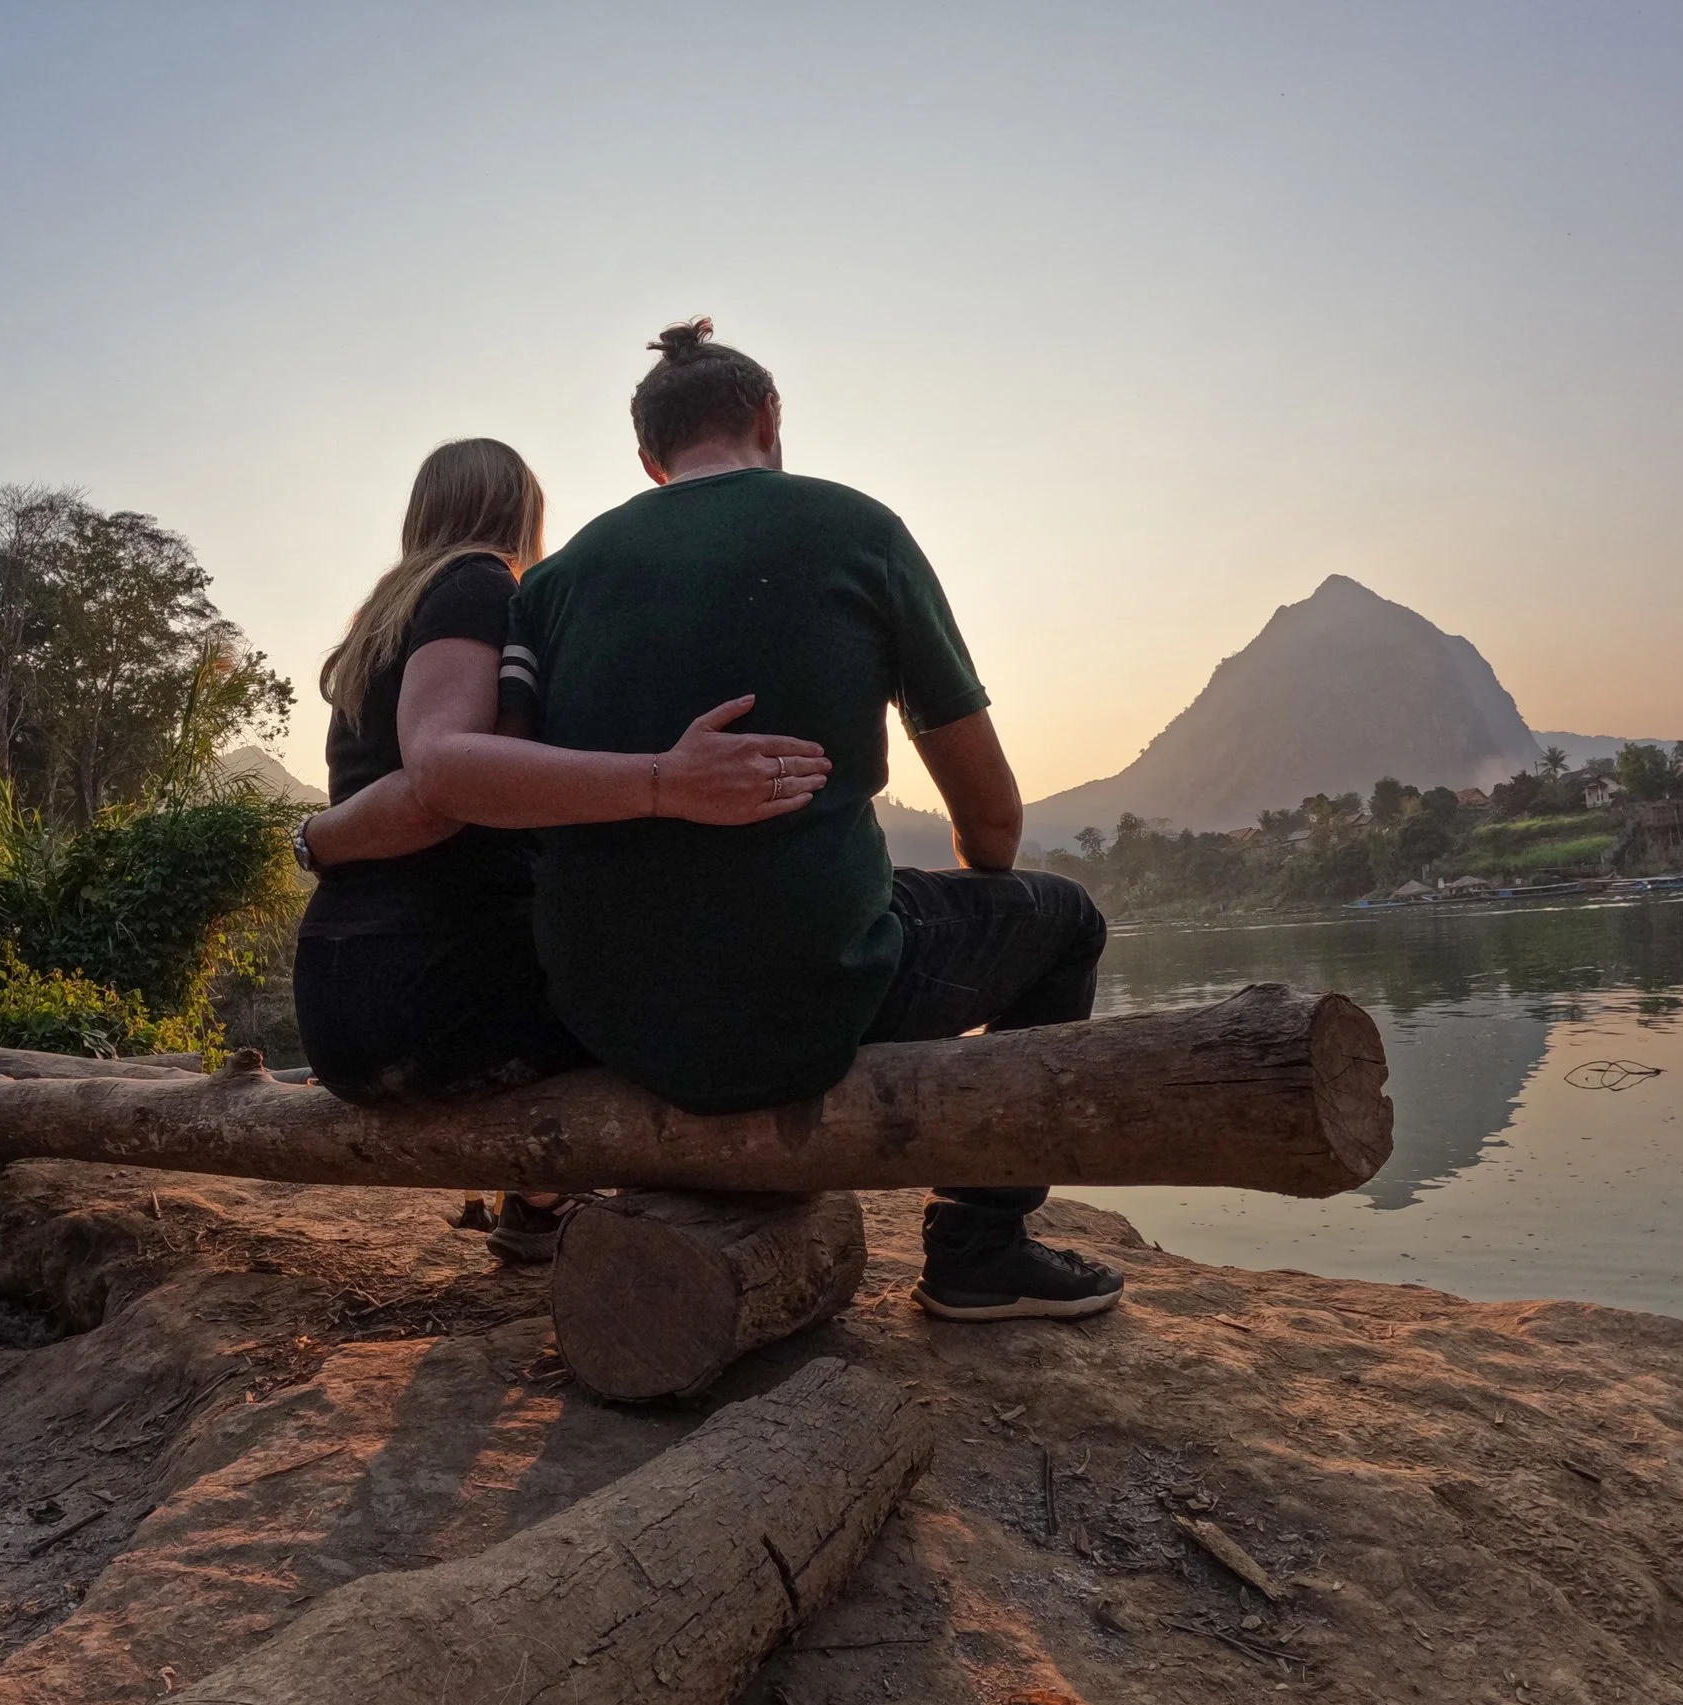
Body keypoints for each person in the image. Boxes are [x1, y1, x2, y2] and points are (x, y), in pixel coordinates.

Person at [492, 319, 1122, 1322]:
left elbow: (509, 792)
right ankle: (978, 1246)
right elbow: (992, 828)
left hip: (602, 1011)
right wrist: (963, 870)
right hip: (806, 1000)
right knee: (1066, 920)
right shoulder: (854, 528)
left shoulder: (554, 582)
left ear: (649, 459)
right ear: (769, 419)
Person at [292, 436, 831, 1255]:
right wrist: (665, 781)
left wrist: (318, 842)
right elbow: (438, 786)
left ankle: (537, 1203)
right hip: (431, 999)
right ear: (523, 512)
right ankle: (686, 1194)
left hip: (337, 1007)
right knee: (669, 991)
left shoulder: (384, 626)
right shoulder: (476, 584)